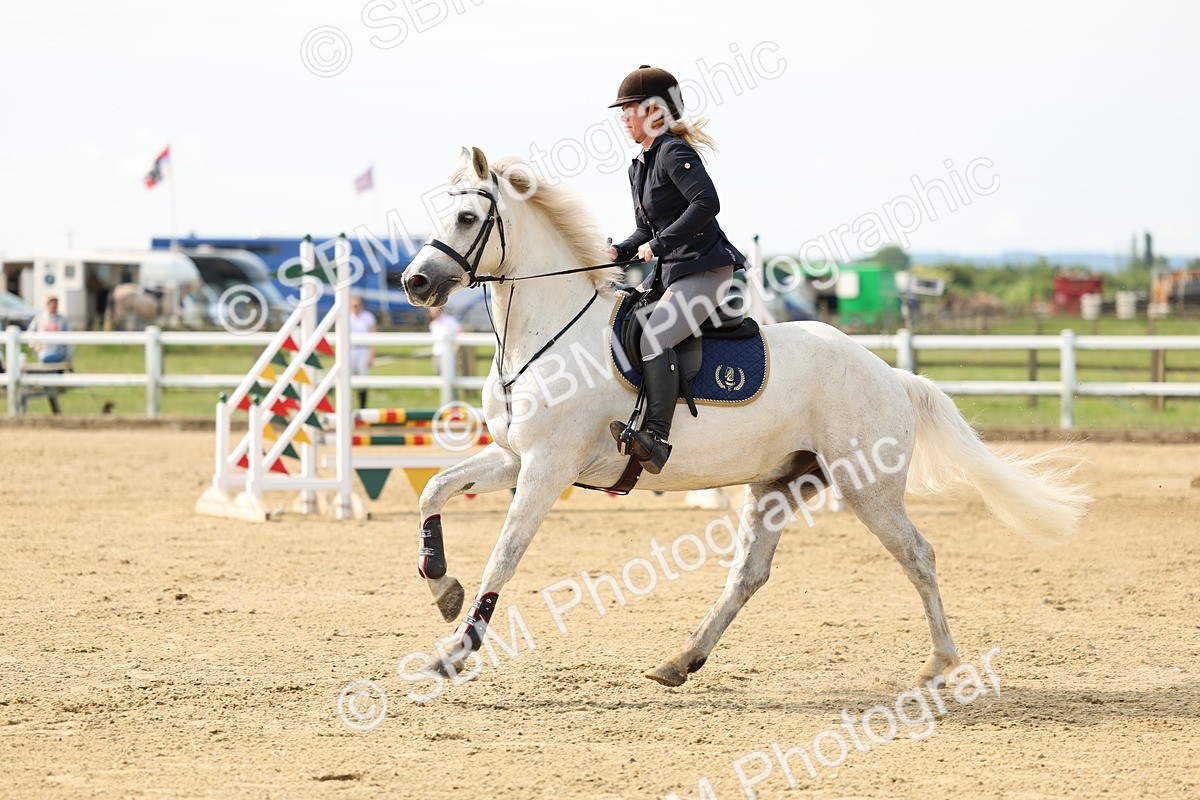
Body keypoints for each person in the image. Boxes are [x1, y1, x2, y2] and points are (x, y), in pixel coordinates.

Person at [605, 65, 747, 474]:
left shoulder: (673, 152)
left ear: (652, 111)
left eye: (628, 109)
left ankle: (656, 437)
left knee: (655, 336)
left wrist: (658, 245)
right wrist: (621, 250)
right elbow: (644, 229)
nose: (623, 118)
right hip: (671, 273)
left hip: (704, 269)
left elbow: (706, 205)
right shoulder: (641, 165)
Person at [348, 295, 377, 409]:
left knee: (363, 380)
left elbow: (373, 336)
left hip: (363, 350)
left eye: (357, 304)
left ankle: (363, 407)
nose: (355, 307)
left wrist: (372, 354)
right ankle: (347, 407)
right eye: (353, 305)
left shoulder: (368, 317)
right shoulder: (347, 317)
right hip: (350, 350)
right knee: (347, 379)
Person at [27, 296, 72, 364]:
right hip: (43, 353)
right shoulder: (39, 318)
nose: (54, 305)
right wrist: (34, 344)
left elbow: (69, 340)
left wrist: (69, 358)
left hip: (58, 353)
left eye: (55, 303)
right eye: (52, 303)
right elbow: (30, 331)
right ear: (47, 304)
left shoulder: (62, 319)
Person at [427, 306, 461, 374]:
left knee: (450, 373)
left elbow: (459, 332)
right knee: (438, 373)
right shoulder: (433, 324)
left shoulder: (449, 320)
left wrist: (457, 346)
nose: (433, 311)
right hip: (437, 352)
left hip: (449, 351)